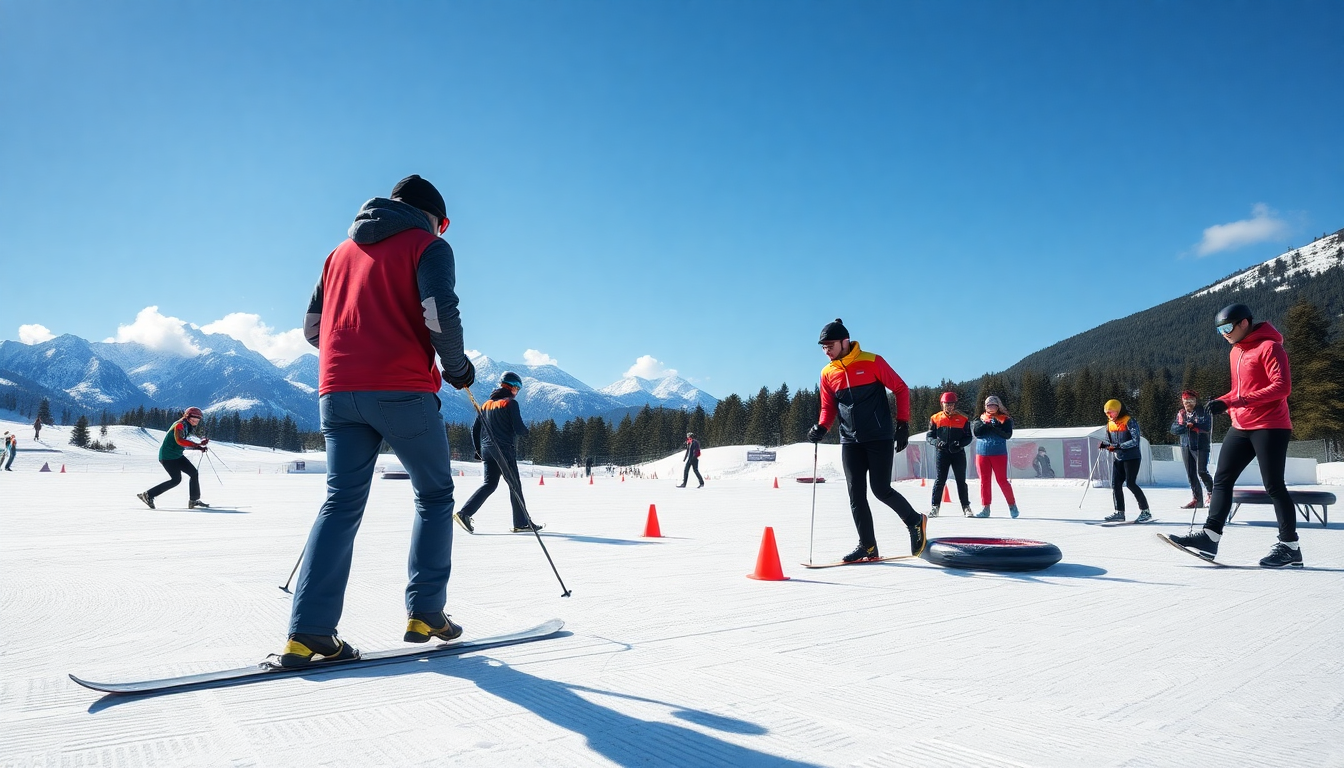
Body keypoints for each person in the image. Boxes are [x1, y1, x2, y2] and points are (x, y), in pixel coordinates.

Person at [277, 174, 476, 668]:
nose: (442, 232)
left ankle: (309, 633)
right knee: (434, 493)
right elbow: (438, 311)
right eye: (443, 224)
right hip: (402, 390)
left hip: (337, 391)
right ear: (431, 216)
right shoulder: (426, 246)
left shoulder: (337, 254)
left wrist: (354, 354)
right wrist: (457, 368)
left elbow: (311, 329)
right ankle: (427, 612)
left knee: (340, 502)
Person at [1169, 303, 1301, 567]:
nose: (1224, 333)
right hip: (1241, 425)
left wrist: (1235, 401)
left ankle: (1290, 547)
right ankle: (1210, 537)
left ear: (1244, 323)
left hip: (1270, 425)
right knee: (1222, 479)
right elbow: (1239, 390)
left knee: (1274, 485)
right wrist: (1222, 401)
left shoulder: (1270, 347)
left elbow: (1281, 388)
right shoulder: (1235, 352)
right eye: (1219, 330)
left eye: (1228, 327)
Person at [807, 318, 926, 562]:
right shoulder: (828, 373)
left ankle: (915, 521)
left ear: (845, 342)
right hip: (850, 440)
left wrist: (903, 424)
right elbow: (828, 407)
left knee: (880, 490)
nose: (826, 351)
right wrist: (821, 427)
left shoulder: (872, 361)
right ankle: (868, 546)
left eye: (830, 345)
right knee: (856, 495)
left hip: (879, 436)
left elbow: (901, 388)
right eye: (823, 347)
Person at [454, 371, 539, 533]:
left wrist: (478, 449)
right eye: (517, 388)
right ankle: (521, 523)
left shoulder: (486, 404)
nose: (517, 392)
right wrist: (528, 433)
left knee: (490, 484)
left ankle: (464, 513)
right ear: (512, 387)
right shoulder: (510, 403)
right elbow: (519, 428)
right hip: (503, 449)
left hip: (487, 450)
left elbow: (475, 429)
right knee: (515, 485)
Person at [136, 407, 210, 509]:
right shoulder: (179, 425)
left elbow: (182, 443)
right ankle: (148, 495)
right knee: (176, 480)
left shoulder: (187, 425)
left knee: (193, 473)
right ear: (187, 417)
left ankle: (193, 500)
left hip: (177, 455)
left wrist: (199, 447)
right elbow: (179, 440)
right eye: (193, 419)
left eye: (197, 420)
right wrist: (197, 445)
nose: (195, 422)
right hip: (167, 457)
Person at [1099, 399, 1151, 523]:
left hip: (1132, 457)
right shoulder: (1109, 424)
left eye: (1111, 412)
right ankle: (1119, 512)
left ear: (1118, 411)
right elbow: (1109, 440)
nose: (1109, 415)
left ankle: (1145, 511)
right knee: (1115, 484)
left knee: (1131, 483)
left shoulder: (1129, 421)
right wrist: (1105, 445)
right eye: (1107, 413)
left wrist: (1118, 446)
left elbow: (1135, 440)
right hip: (1119, 458)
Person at [925, 391, 972, 517]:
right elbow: (929, 436)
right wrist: (936, 442)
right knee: (940, 480)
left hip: (958, 454)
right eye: (947, 404)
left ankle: (966, 507)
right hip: (942, 453)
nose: (949, 406)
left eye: (951, 404)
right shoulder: (935, 418)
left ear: (955, 405)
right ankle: (935, 507)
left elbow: (968, 437)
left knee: (961, 481)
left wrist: (960, 444)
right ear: (942, 404)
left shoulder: (963, 419)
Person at [971, 395, 1018, 518]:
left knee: (1001, 480)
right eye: (988, 405)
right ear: (985, 407)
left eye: (994, 405)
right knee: (984, 481)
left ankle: (1012, 505)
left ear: (998, 406)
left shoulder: (1005, 419)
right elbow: (977, 433)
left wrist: (995, 427)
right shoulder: (980, 418)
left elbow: (1007, 435)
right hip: (982, 453)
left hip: (999, 453)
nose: (991, 408)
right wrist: (986, 425)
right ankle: (985, 508)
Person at [1169, 390, 1213, 509]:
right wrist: (1184, 426)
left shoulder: (1202, 412)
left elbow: (1207, 426)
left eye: (1190, 400)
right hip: (1185, 445)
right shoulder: (1181, 413)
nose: (1188, 403)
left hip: (1200, 445)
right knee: (1191, 474)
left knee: (1201, 471)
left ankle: (1211, 493)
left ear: (1195, 401)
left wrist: (1194, 425)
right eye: (1185, 401)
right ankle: (1197, 499)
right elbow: (1173, 429)